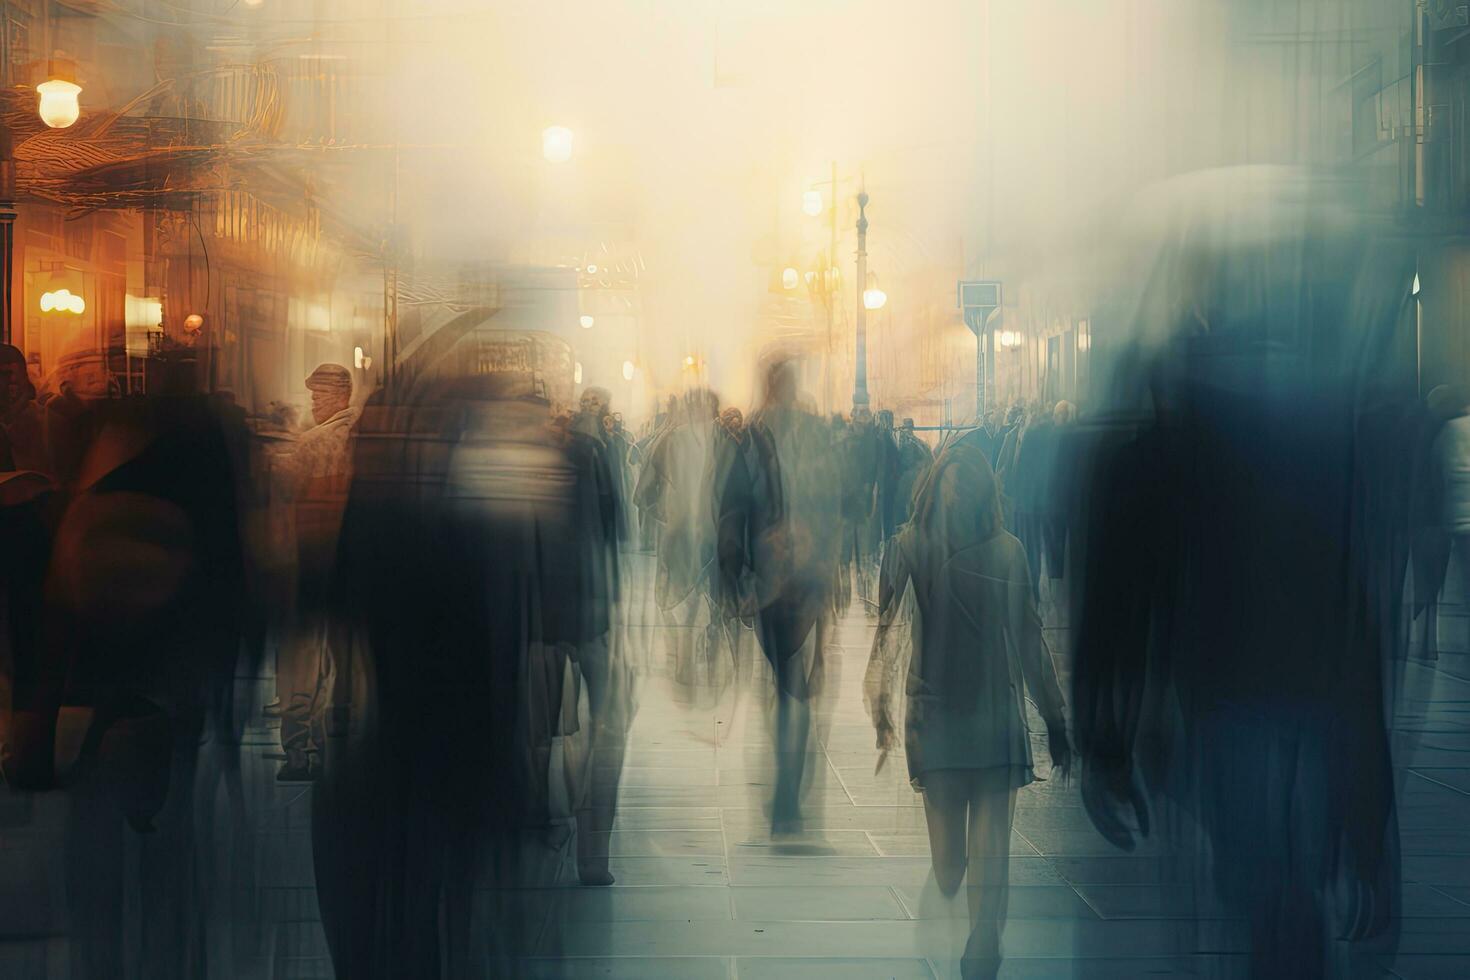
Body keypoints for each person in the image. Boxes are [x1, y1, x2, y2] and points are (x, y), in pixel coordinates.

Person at [865, 439, 1068, 979]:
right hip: (942, 713)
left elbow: (1027, 639)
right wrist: (879, 696)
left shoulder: (1004, 551)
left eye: (964, 487)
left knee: (989, 845)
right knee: (951, 864)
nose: (956, 497)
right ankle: (981, 934)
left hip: (976, 713)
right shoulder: (910, 546)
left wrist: (1054, 714)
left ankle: (983, 942)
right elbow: (886, 632)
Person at [717, 358, 842, 837]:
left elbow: (730, 511)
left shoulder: (748, 439)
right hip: (805, 576)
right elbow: (835, 500)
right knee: (796, 686)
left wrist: (734, 577)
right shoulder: (812, 435)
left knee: (785, 679)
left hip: (772, 580)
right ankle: (788, 795)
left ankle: (785, 793)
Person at [272, 363, 358, 781]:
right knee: (339, 657)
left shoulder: (312, 443)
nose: (313, 402)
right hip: (348, 564)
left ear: (341, 394)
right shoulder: (364, 438)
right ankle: (332, 743)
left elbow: (281, 488)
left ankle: (298, 748)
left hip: (308, 560)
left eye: (319, 395)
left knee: (300, 657)